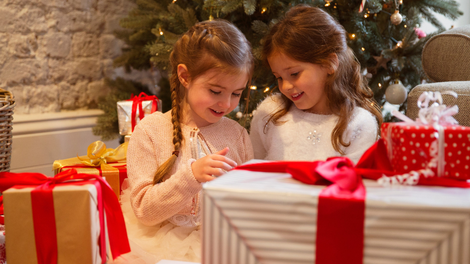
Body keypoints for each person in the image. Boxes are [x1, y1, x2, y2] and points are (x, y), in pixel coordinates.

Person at [115, 19, 254, 264]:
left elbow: (250, 202)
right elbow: (144, 210)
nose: (226, 104)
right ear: (185, 76)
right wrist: (191, 177)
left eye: (236, 93)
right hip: (159, 247)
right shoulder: (150, 131)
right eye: (215, 91)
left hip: (223, 244)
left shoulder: (237, 135)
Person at [250, 5, 382, 164]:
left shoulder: (358, 124)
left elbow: (355, 183)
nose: (285, 86)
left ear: (329, 63)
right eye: (278, 77)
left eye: (294, 74)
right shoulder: (269, 111)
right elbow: (250, 169)